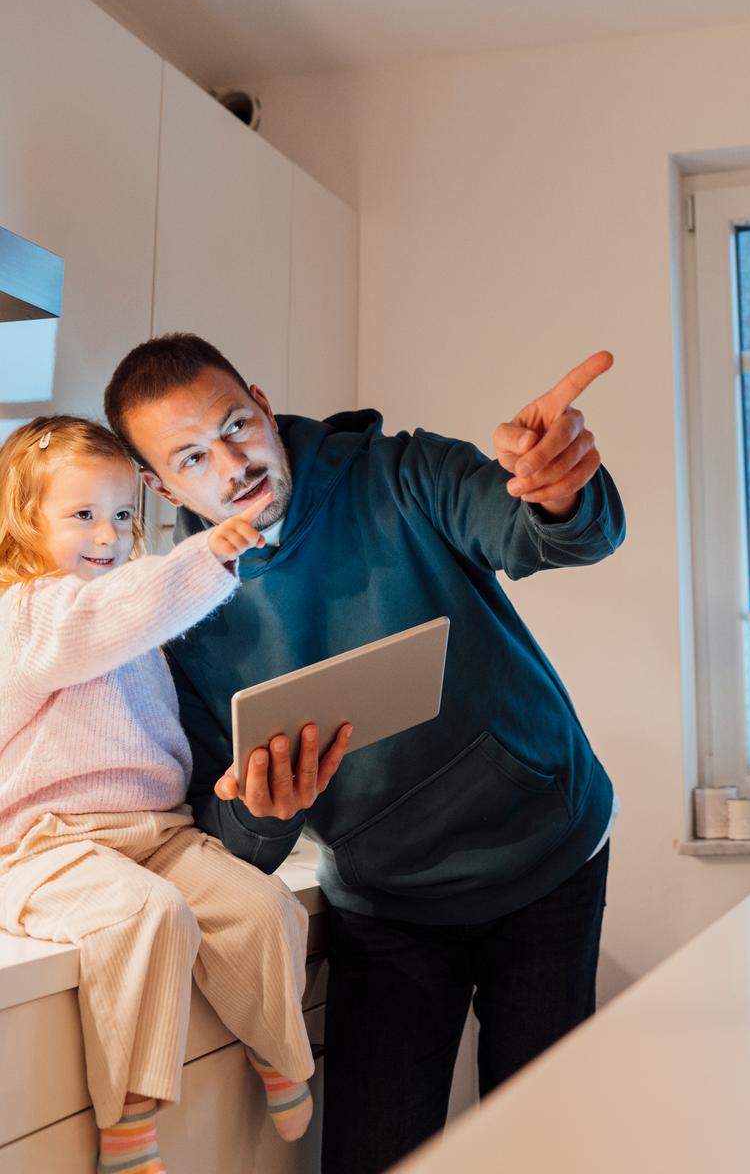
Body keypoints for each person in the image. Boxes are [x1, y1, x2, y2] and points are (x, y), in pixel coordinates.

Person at [103, 333, 625, 1174]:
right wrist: (260, 816)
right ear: (162, 487)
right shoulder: (182, 620)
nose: (232, 464)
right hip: (386, 903)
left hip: (545, 856)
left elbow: (549, 536)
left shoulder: (400, 470)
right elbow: (220, 831)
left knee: (546, 1147)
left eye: (237, 426)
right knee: (371, 1155)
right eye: (194, 457)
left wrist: (558, 497)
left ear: (265, 407)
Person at [0, 416, 316, 1174]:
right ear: (21, 519)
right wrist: (205, 553)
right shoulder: (28, 612)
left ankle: (283, 1054)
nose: (108, 535)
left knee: (266, 908)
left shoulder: (119, 613)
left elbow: (130, 617)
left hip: (157, 832)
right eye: (83, 515)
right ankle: (130, 1123)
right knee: (150, 917)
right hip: (50, 842)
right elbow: (108, 618)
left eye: (121, 515)